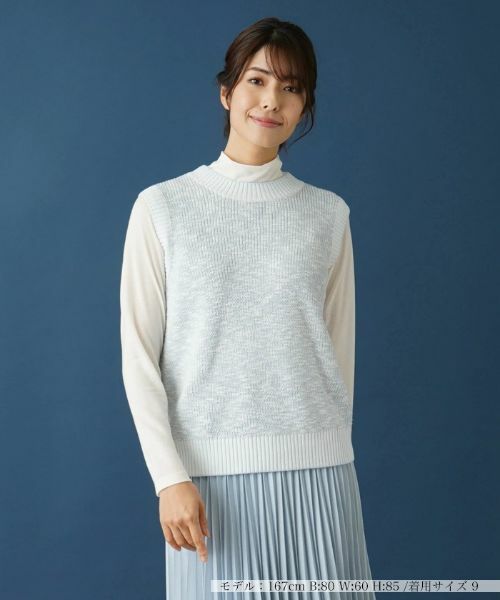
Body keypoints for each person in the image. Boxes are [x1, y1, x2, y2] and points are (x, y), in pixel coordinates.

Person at [120, 17, 376, 600]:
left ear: (305, 105)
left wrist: (332, 448)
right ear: (226, 92)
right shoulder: (163, 207)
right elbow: (139, 358)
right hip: (207, 486)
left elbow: (338, 352)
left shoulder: (328, 214)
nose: (271, 101)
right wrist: (168, 477)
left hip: (320, 476)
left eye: (291, 87)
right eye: (257, 81)